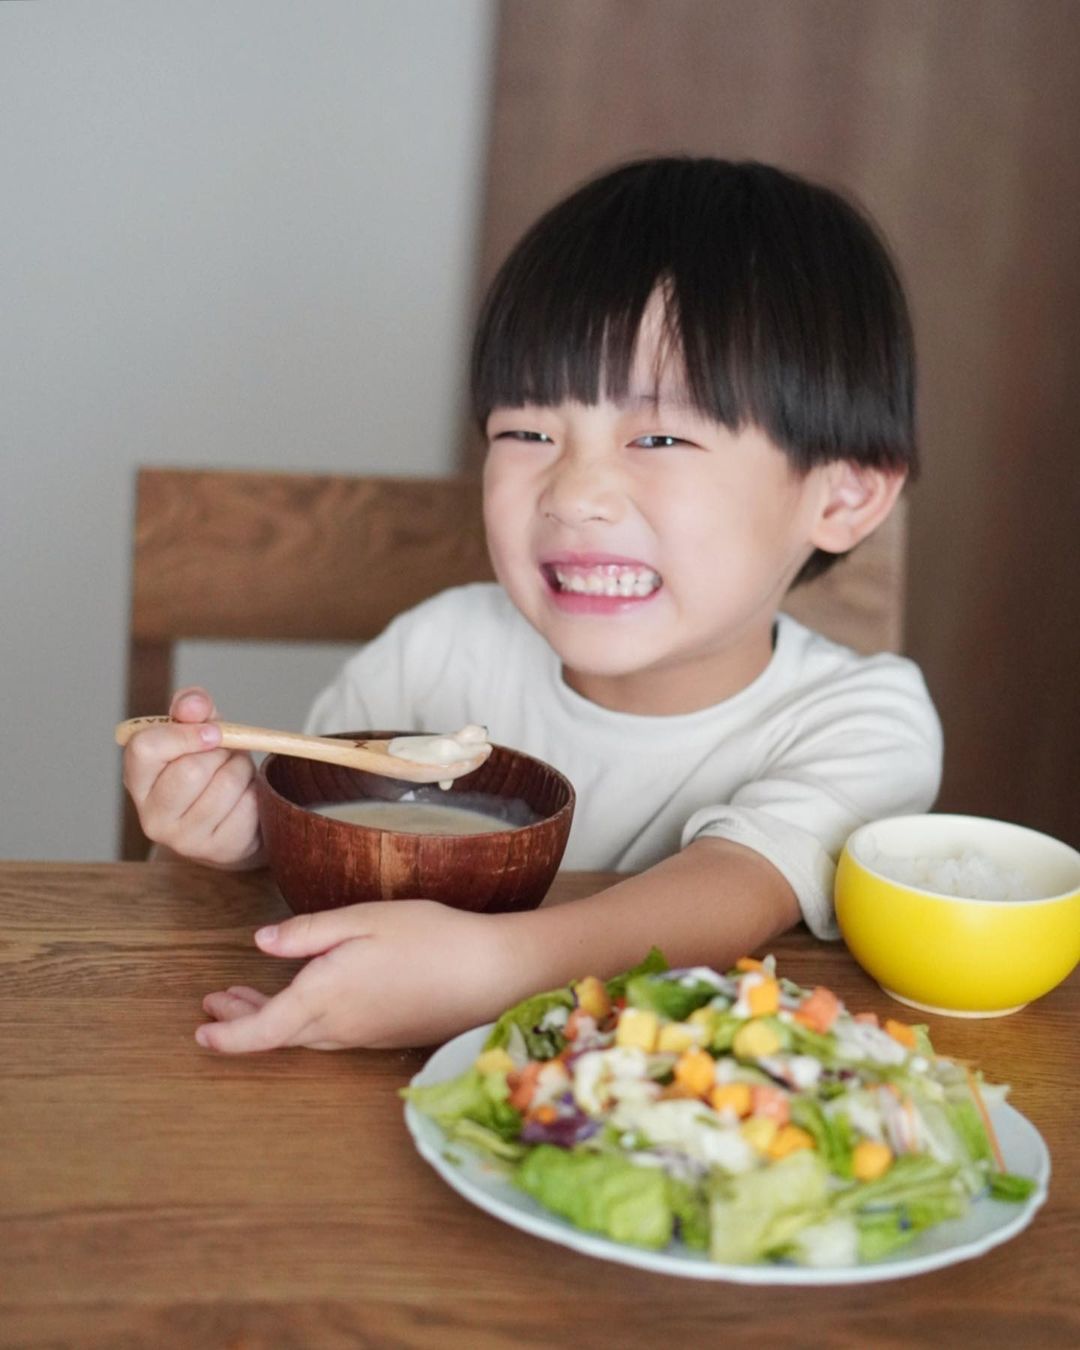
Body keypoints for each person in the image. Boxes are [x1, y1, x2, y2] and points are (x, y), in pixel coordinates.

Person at [122, 157, 942, 1053]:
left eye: (661, 434)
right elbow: (321, 836)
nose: (574, 492)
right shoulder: (434, 652)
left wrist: (491, 971)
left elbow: (736, 884)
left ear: (843, 497)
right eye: (527, 432)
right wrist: (245, 836)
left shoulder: (864, 721)